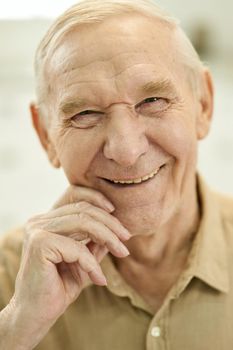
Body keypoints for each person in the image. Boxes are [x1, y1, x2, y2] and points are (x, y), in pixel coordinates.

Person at [0, 0, 233, 349]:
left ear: (204, 105)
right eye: (86, 113)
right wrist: (17, 326)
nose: (126, 151)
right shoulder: (9, 274)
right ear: (46, 135)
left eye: (152, 100)